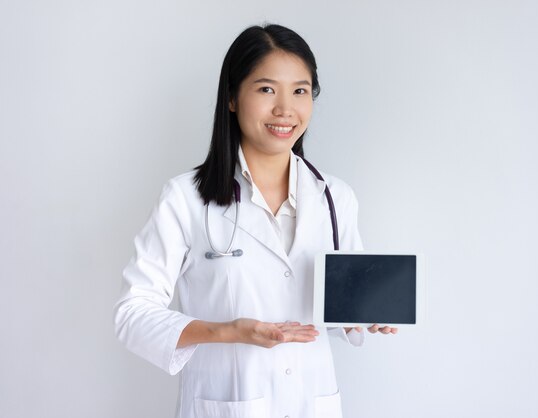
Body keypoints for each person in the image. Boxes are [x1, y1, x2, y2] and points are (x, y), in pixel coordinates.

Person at [113, 23, 397, 418]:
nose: (285, 109)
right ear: (231, 97)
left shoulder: (335, 198)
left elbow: (337, 312)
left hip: (311, 403)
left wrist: (364, 314)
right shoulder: (184, 198)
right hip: (228, 404)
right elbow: (133, 314)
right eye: (267, 90)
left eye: (300, 90)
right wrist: (228, 331)